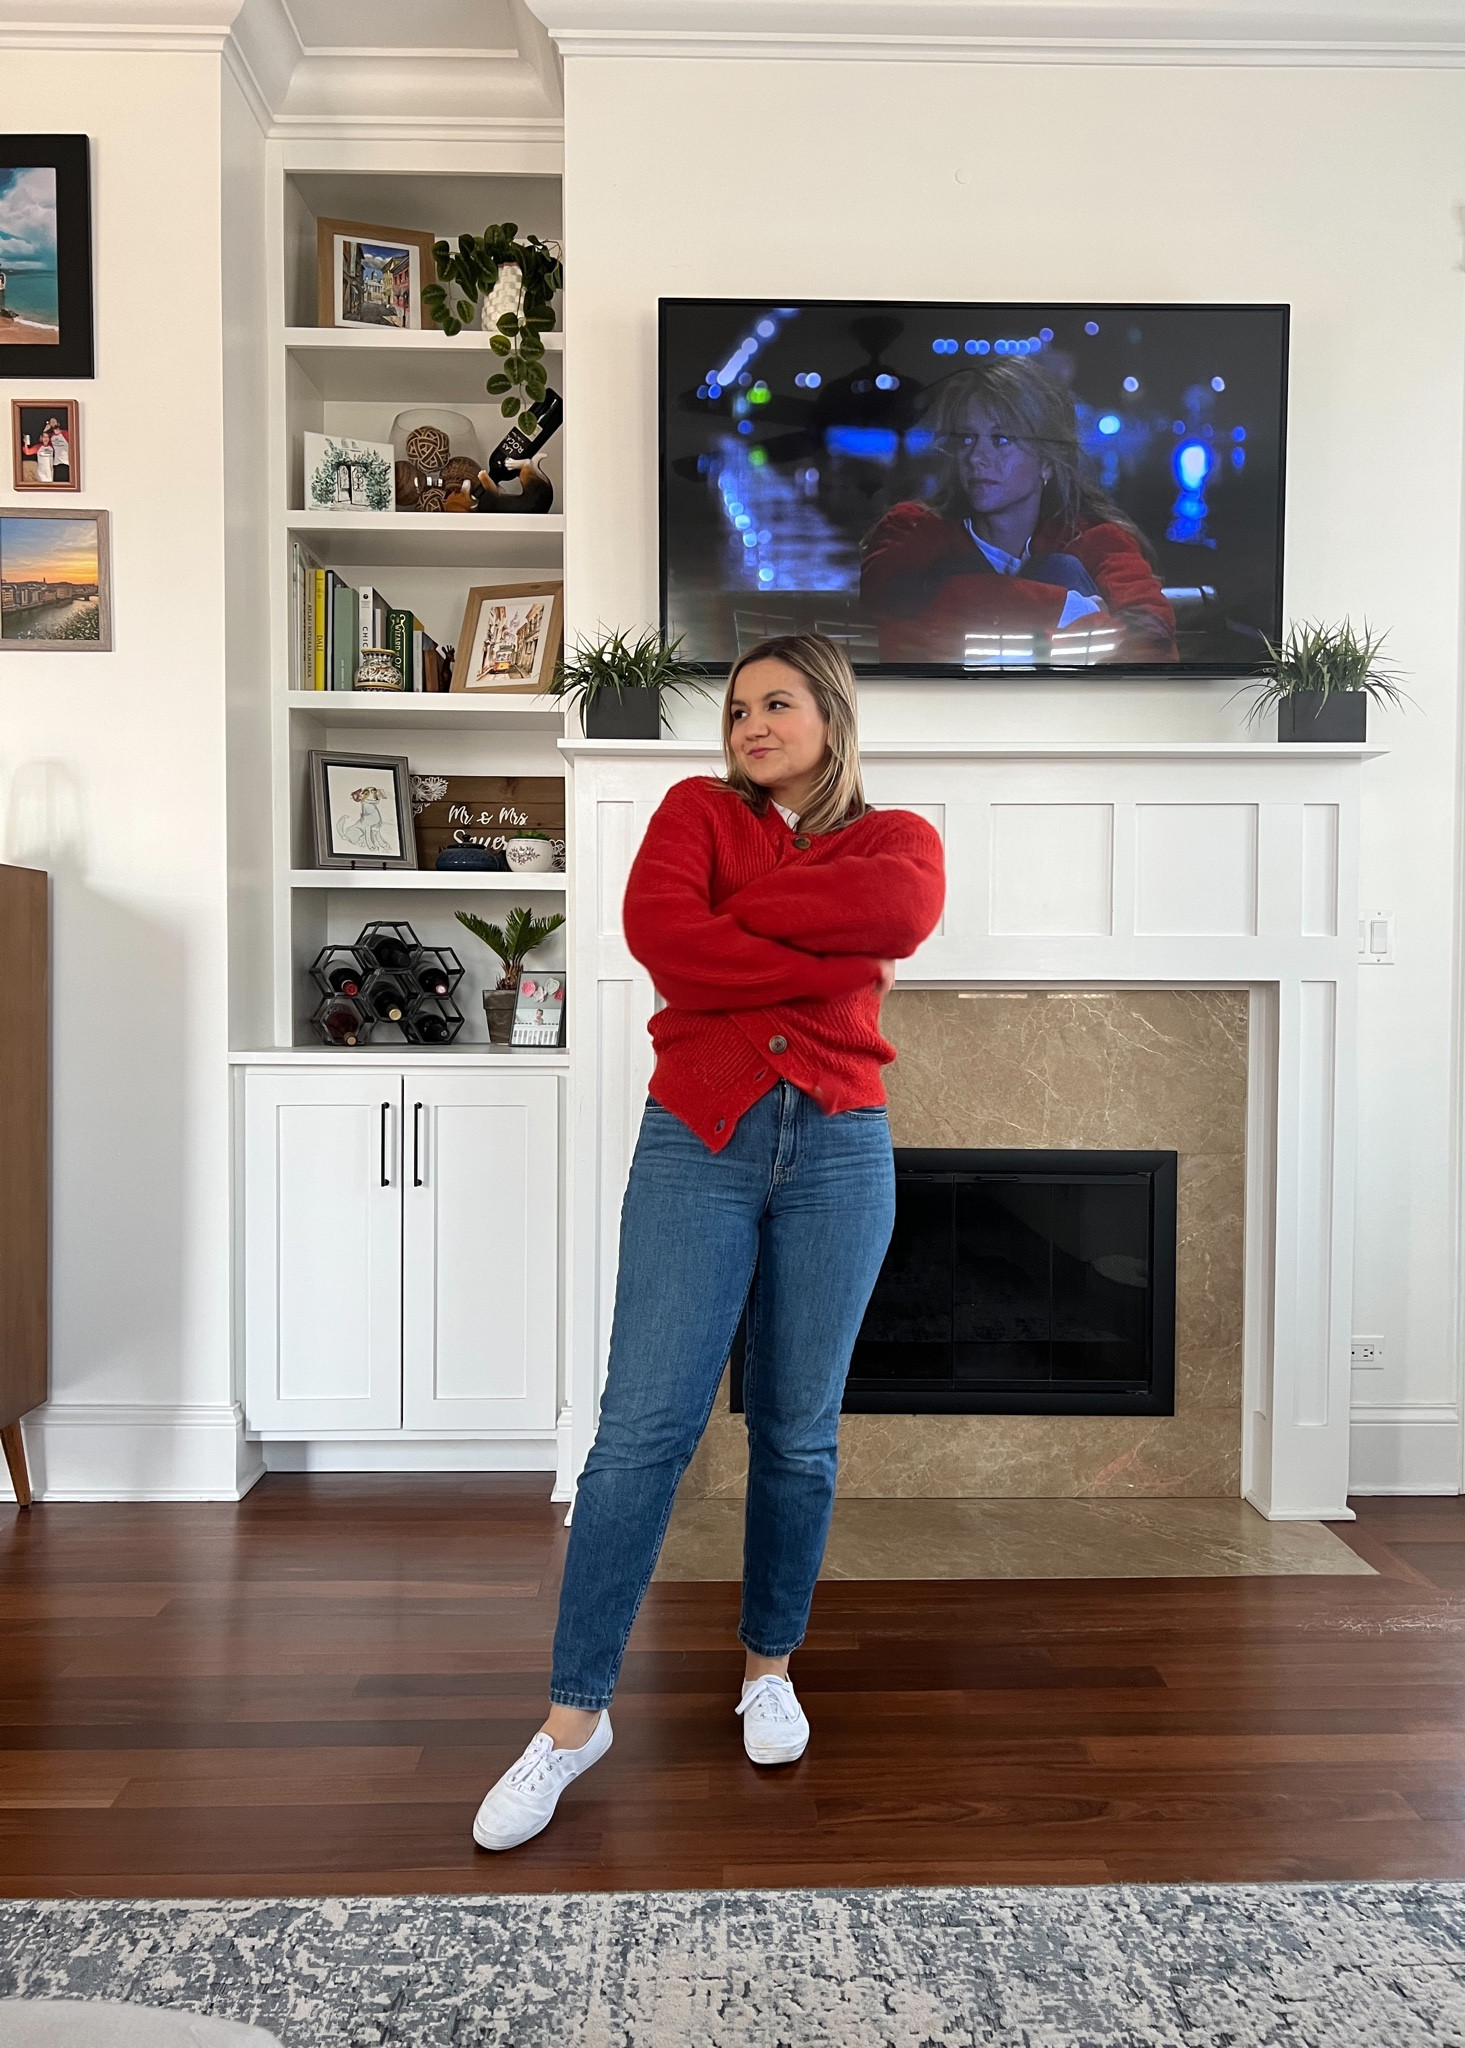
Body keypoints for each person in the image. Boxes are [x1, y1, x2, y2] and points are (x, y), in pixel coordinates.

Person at [472, 631, 945, 1853]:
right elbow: (658, 936)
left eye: (777, 703)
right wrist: (809, 948)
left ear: (830, 717)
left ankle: (767, 1668)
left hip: (843, 1144)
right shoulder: (695, 809)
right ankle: (574, 1721)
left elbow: (895, 912)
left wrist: (742, 920)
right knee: (641, 1430)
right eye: (737, 708)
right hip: (700, 1136)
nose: (751, 724)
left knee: (799, 1430)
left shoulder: (898, 840)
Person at [861, 356, 1177, 667]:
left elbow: (1152, 640)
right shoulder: (913, 529)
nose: (976, 457)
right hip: (948, 709)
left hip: (1065, 709)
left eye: (1000, 440)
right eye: (967, 439)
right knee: (960, 568)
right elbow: (893, 610)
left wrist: (1031, 635)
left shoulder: (1093, 539)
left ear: (1047, 461)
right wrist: (1068, 609)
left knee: (1059, 569)